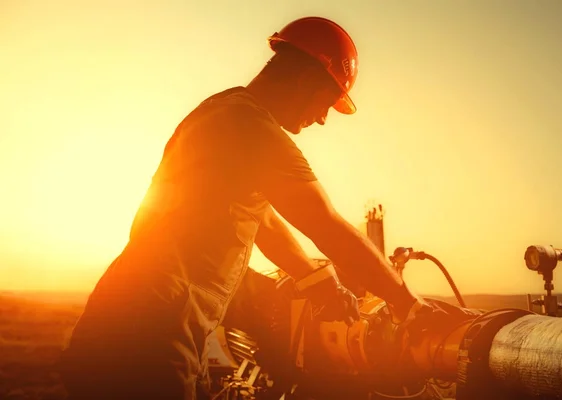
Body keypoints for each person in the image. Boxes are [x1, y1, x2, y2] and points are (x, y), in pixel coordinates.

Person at [59, 16, 433, 400]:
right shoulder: (253, 128)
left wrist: (314, 279)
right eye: (325, 103)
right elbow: (326, 224)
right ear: (306, 81)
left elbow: (263, 218)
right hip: (150, 339)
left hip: (129, 324)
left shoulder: (219, 110)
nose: (322, 119)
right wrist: (409, 305)